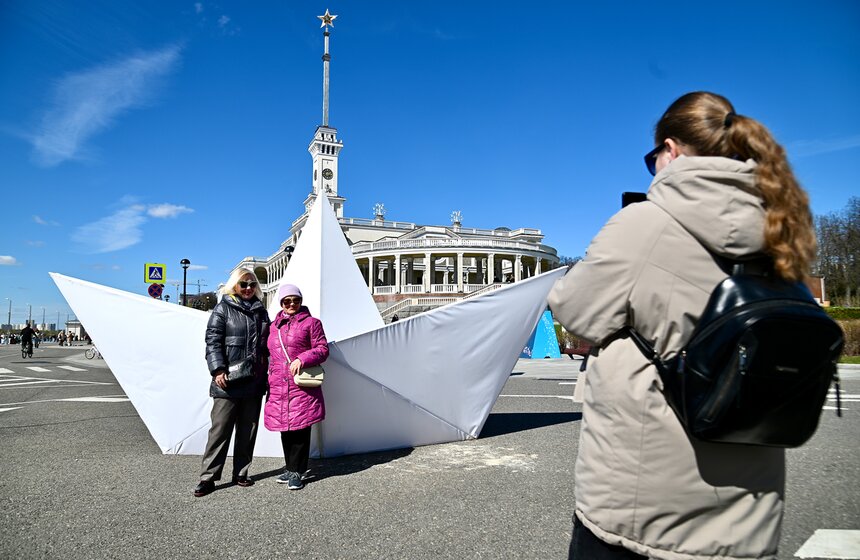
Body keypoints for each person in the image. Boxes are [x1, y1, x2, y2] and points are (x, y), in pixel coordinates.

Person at [549, 91, 816, 560]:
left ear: (670, 151)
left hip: (643, 506)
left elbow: (575, 312)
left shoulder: (645, 223)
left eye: (652, 157)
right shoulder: (780, 228)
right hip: (750, 510)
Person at [194, 268, 270, 498]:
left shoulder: (261, 311)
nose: (248, 288)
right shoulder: (223, 309)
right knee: (220, 431)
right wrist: (217, 369)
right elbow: (213, 341)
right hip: (228, 381)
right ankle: (208, 477)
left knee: (248, 431)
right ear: (234, 285)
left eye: (252, 284)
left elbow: (268, 345)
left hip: (254, 380)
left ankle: (241, 472)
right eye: (243, 284)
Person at [265, 283, 328, 490]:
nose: (292, 304)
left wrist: (303, 358)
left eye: (296, 300)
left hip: (301, 384)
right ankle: (290, 467)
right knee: (285, 429)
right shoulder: (274, 326)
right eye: (287, 301)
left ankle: (298, 471)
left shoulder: (312, 323)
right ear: (281, 303)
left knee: (300, 428)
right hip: (278, 384)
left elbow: (322, 349)